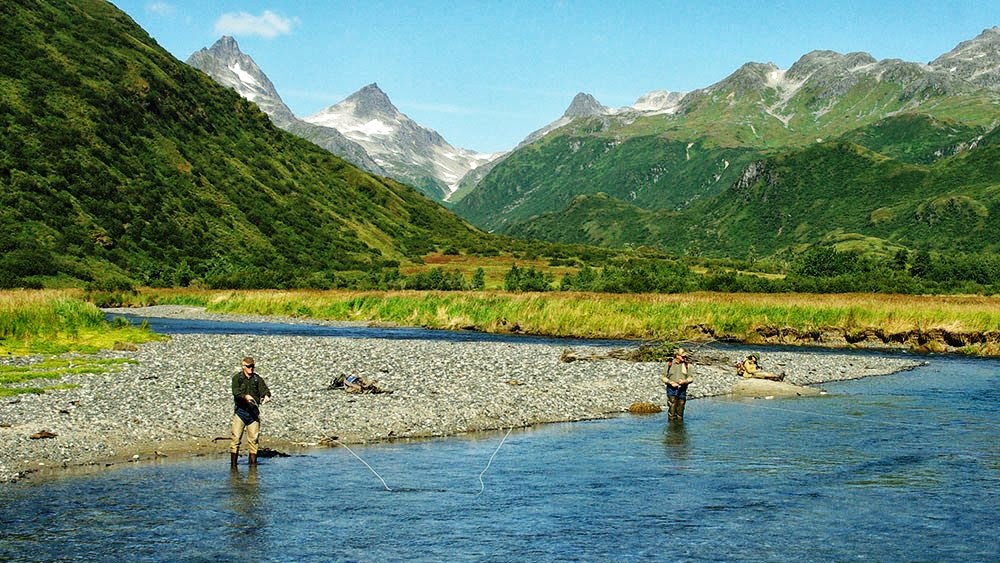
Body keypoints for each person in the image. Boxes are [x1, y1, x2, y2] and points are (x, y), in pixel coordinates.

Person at [230, 356, 271, 467]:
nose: (251, 368)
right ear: (243, 366)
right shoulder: (237, 378)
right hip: (240, 413)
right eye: (248, 366)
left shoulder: (257, 379)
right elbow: (235, 392)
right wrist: (245, 396)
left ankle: (253, 467)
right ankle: (233, 466)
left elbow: (265, 390)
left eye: (252, 366)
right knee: (236, 440)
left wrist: (266, 396)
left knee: (254, 441)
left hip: (253, 414)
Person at [660, 348, 694, 421]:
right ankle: (671, 426)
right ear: (677, 355)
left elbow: (691, 378)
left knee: (680, 408)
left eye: (685, 356)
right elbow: (663, 377)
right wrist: (670, 382)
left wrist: (685, 381)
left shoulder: (687, 365)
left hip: (682, 389)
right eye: (682, 356)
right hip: (671, 389)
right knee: (672, 407)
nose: (684, 358)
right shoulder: (669, 364)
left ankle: (679, 426)